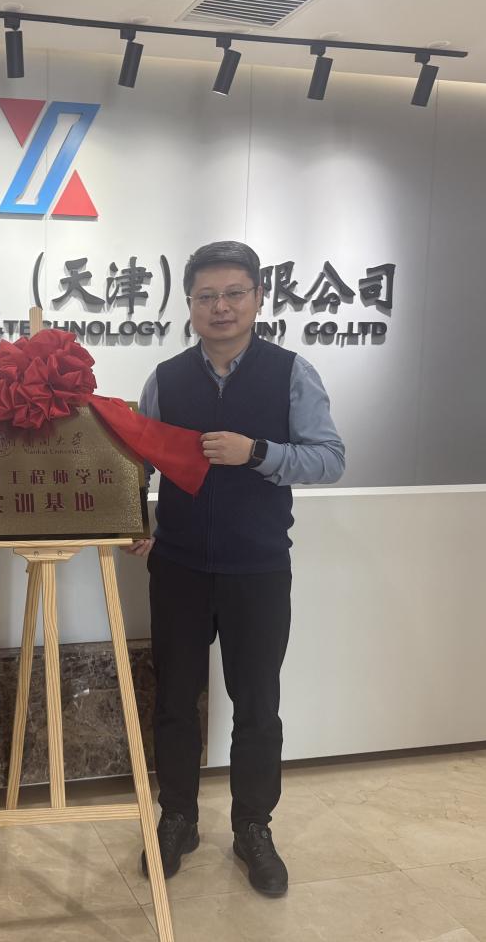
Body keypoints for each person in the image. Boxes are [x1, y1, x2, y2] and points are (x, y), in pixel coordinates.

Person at [127, 240, 345, 897]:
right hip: (178, 566)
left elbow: (329, 459)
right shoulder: (166, 379)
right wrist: (130, 518)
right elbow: (134, 460)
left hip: (258, 568)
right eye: (206, 296)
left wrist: (258, 453)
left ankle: (252, 827)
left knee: (257, 706)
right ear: (188, 304)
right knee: (173, 701)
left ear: (257, 297)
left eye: (233, 294)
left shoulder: (290, 373)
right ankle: (177, 819)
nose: (220, 307)